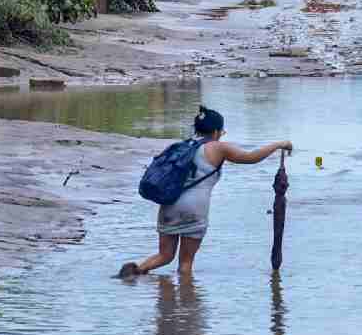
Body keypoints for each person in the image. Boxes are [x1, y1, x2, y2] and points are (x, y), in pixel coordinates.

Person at [119, 106, 293, 276]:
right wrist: (279, 144)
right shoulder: (218, 148)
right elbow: (251, 158)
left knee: (164, 256)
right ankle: (187, 304)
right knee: (185, 265)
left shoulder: (179, 146)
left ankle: (136, 271)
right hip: (194, 210)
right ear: (217, 131)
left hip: (168, 206)